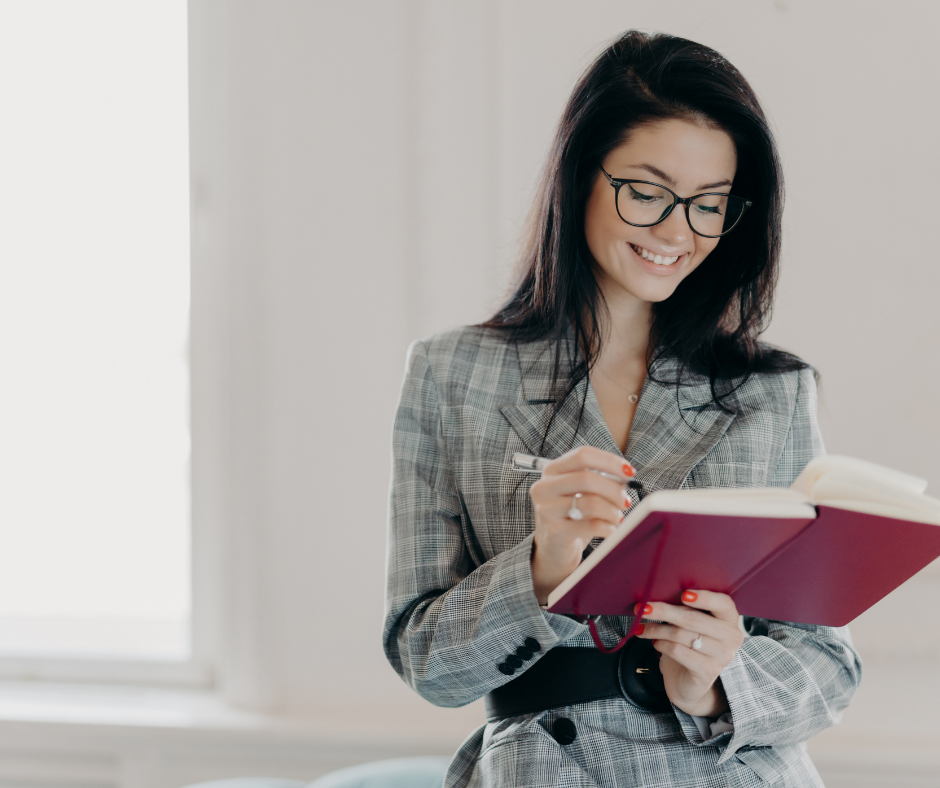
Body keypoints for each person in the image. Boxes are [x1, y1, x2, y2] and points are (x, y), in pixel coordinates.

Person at [383, 30, 861, 788]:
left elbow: (828, 664)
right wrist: (541, 571)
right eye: (647, 191)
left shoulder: (773, 392)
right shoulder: (453, 375)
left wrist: (714, 680)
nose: (678, 232)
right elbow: (424, 659)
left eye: (710, 205)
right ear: (579, 177)